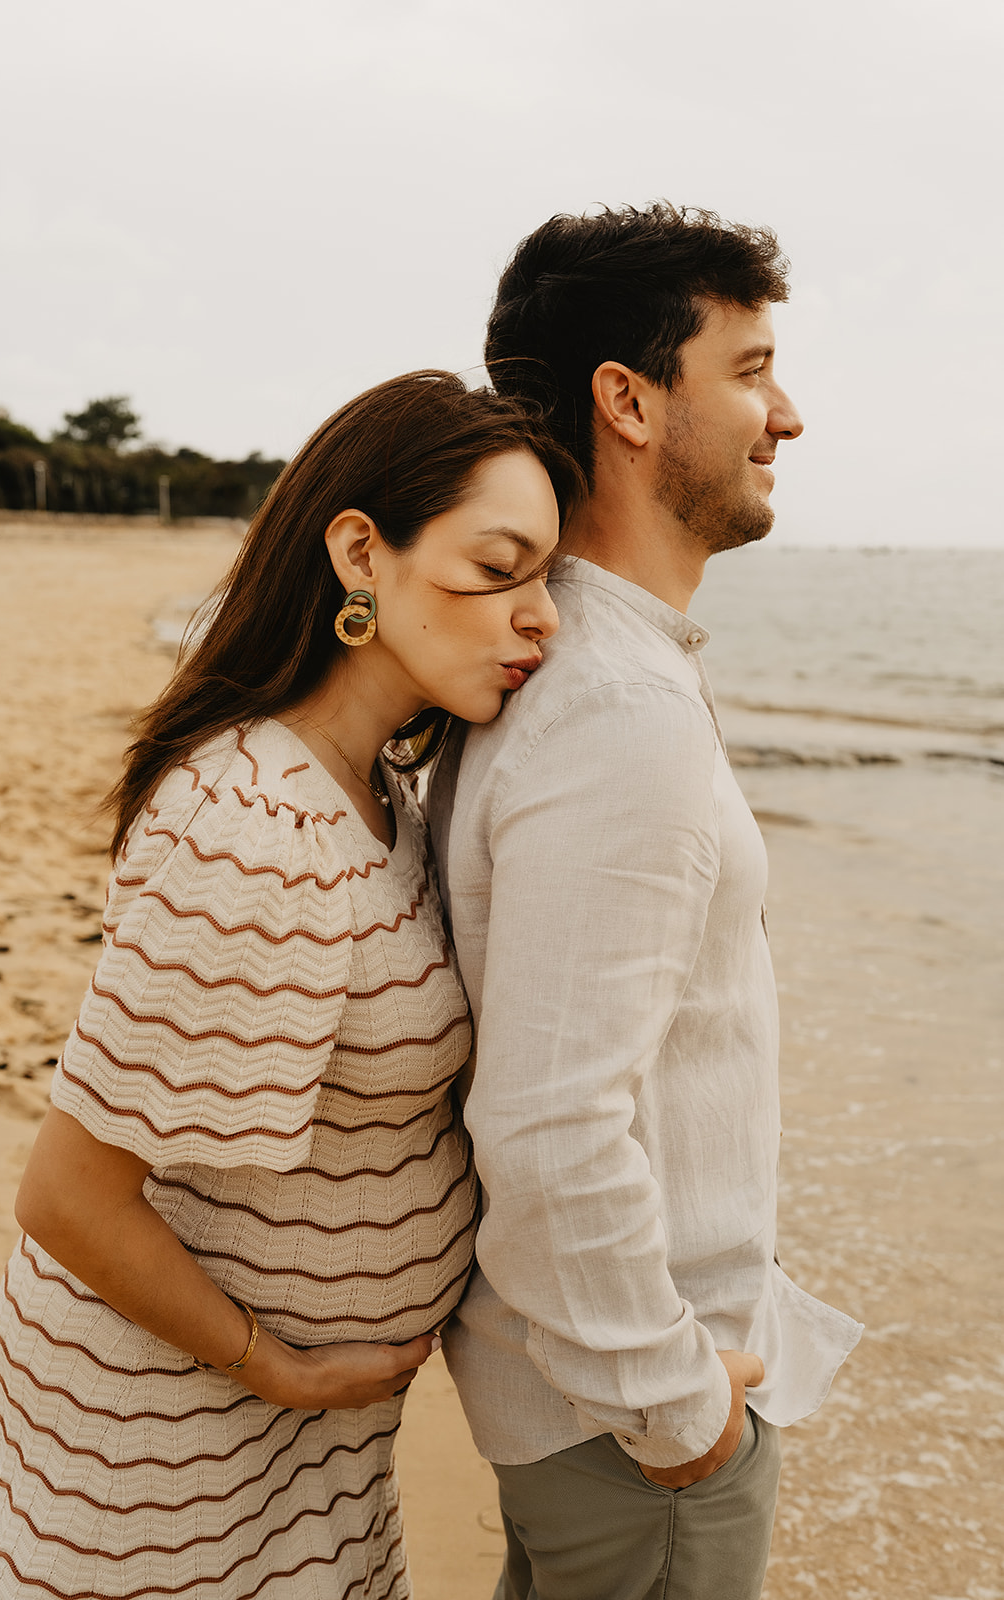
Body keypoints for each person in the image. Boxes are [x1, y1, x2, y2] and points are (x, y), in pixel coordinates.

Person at [0, 370, 580, 1600]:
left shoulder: (377, 789)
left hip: (296, 1439)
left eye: (547, 578)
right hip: (174, 1434)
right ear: (360, 552)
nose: (539, 617)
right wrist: (273, 1366)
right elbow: (69, 1195)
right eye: (497, 568)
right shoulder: (251, 826)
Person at [428, 206, 863, 1600]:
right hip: (628, 1418)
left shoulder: (570, 660)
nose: (783, 413)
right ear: (628, 400)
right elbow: (548, 1125)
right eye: (746, 370)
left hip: (591, 1394)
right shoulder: (612, 711)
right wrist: (681, 1419)